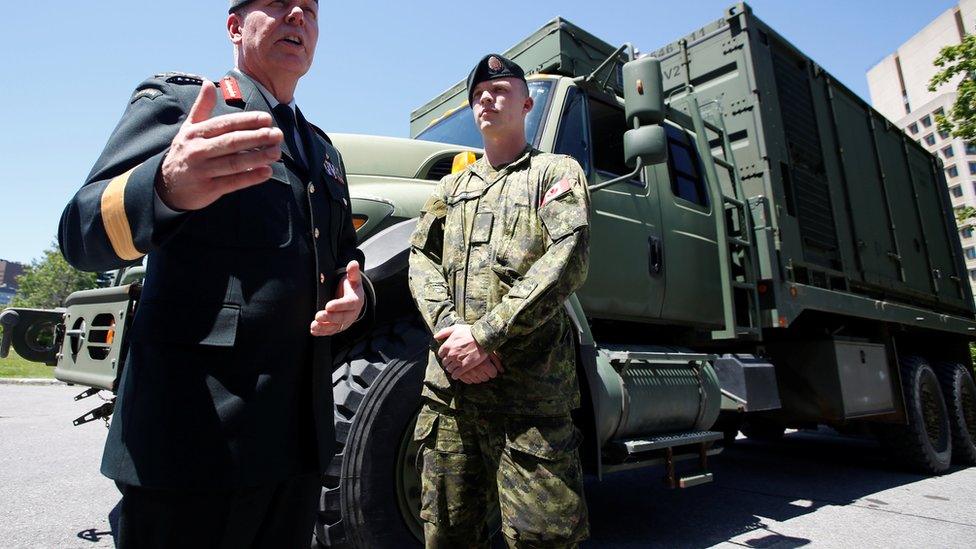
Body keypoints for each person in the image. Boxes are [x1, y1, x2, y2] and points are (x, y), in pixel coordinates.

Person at [57, 1, 365, 547]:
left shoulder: (322, 151)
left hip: (296, 447)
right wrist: (165, 186)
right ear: (234, 27)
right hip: (193, 444)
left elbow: (342, 258)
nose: (297, 15)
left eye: (310, 10)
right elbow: (80, 232)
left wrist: (353, 295)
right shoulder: (183, 104)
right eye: (276, 4)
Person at [408, 53, 591, 548]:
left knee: (542, 537)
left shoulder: (555, 173)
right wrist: (453, 335)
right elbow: (420, 261)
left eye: (501, 90)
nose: (487, 98)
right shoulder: (448, 189)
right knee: (446, 532)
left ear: (527, 103)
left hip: (528, 396)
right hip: (452, 395)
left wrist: (486, 336)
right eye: (479, 95)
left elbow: (566, 257)